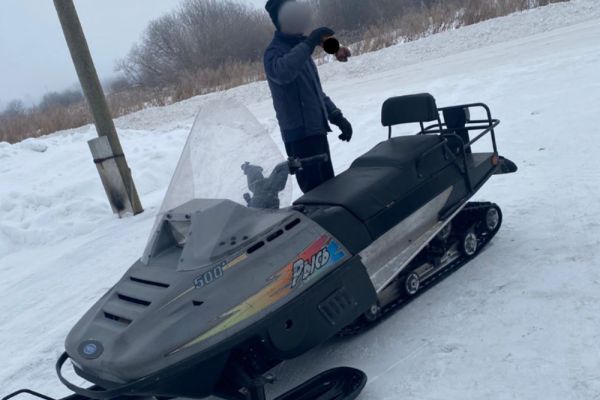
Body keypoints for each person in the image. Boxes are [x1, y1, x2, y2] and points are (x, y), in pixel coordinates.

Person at [264, 0, 353, 193]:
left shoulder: (300, 47)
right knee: (317, 198)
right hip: (299, 138)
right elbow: (283, 73)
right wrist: (310, 42)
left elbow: (315, 92)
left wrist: (337, 116)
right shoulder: (274, 53)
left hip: (316, 131)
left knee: (332, 191)